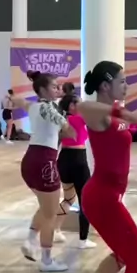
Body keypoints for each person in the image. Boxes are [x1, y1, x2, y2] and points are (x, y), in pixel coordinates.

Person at [72, 61, 137, 273]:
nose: (126, 86)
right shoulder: (98, 115)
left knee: (123, 254)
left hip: (108, 196)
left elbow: (130, 124)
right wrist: (121, 112)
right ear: (105, 86)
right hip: (102, 198)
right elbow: (82, 106)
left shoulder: (115, 117)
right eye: (122, 81)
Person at [13, 71, 75, 271]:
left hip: (29, 160)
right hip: (44, 162)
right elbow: (69, 130)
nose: (58, 89)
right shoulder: (49, 109)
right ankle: (47, 261)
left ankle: (30, 241)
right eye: (54, 86)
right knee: (51, 213)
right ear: (42, 89)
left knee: (46, 205)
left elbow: (20, 102)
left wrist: (12, 99)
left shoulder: (33, 106)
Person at [56, 94, 94, 249]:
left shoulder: (62, 120)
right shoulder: (79, 119)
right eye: (80, 103)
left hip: (63, 160)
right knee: (85, 201)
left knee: (68, 199)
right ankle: (83, 240)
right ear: (72, 106)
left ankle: (54, 230)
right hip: (78, 160)